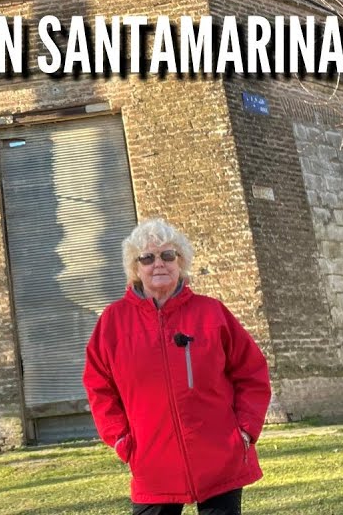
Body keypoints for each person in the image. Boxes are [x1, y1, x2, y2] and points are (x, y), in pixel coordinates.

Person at [83, 218, 272, 515]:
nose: (158, 263)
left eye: (167, 255)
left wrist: (245, 432)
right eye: (147, 257)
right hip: (152, 460)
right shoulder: (113, 322)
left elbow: (252, 373)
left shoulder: (212, 313)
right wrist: (120, 438)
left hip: (219, 456)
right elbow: (98, 386)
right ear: (135, 267)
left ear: (181, 261)